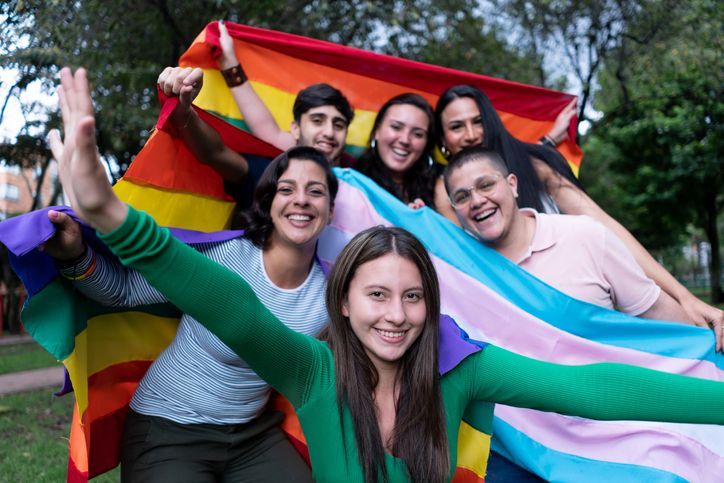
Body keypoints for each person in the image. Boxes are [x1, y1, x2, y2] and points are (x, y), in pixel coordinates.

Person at [51, 67, 724, 483]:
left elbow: (590, 389)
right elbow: (221, 296)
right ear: (342, 304)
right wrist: (108, 212)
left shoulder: (459, 371)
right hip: (171, 427)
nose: (396, 314)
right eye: (376, 295)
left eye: (411, 296)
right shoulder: (313, 369)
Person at [44, 142, 337, 481]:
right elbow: (122, 291)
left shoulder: (330, 298)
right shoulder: (227, 256)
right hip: (169, 426)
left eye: (315, 192)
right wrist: (73, 254)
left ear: (330, 211)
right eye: (286, 189)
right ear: (269, 201)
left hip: (253, 436)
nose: (301, 199)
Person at [434, 84, 724, 337]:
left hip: (579, 304)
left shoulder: (534, 166)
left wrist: (683, 295)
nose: (471, 134)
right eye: (456, 126)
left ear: (513, 184)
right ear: (443, 140)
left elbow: (603, 225)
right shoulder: (444, 193)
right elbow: (461, 260)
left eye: (478, 121)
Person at [443, 147, 706, 327]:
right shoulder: (461, 270)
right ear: (455, 209)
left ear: (512, 184)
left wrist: (709, 349)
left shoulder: (586, 236)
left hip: (605, 405)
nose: (477, 200)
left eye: (486, 185)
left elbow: (656, 313)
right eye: (462, 197)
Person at [155, 20, 354, 200]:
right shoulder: (270, 175)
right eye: (317, 120)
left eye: (338, 124)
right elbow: (215, 152)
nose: (329, 132)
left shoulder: (364, 184)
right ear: (295, 129)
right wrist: (183, 107)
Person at [353, 93, 443, 209]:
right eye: (396, 127)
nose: (405, 140)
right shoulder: (351, 183)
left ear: (427, 144)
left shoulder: (440, 191)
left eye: (418, 134)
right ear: (377, 131)